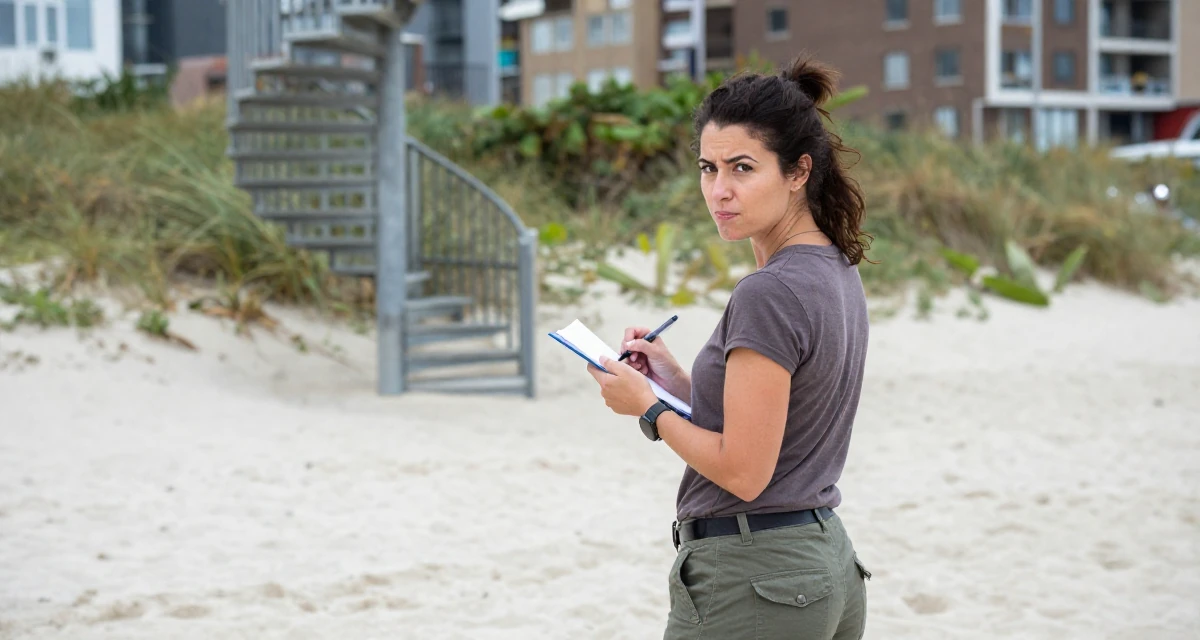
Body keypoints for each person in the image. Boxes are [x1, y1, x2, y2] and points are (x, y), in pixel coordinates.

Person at [586, 54, 873, 639]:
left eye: (742, 168)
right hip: (823, 565)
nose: (720, 190)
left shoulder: (770, 292)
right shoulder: (835, 269)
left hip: (756, 579)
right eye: (707, 168)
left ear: (798, 172)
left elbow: (744, 472)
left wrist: (647, 407)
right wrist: (673, 382)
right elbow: (775, 424)